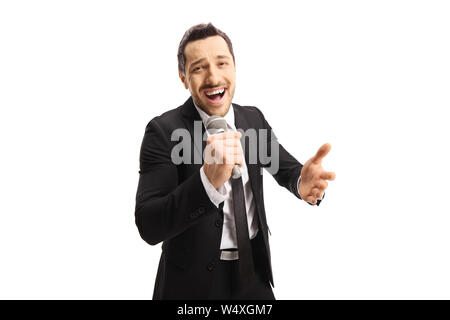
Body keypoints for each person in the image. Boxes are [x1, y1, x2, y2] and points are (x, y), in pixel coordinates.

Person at [135, 23, 336, 300]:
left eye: (222, 63)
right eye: (199, 68)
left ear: (235, 68)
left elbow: (285, 169)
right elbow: (149, 224)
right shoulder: (163, 131)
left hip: (253, 276)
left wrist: (302, 182)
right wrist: (207, 183)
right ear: (183, 78)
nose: (213, 77)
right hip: (190, 286)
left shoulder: (252, 119)